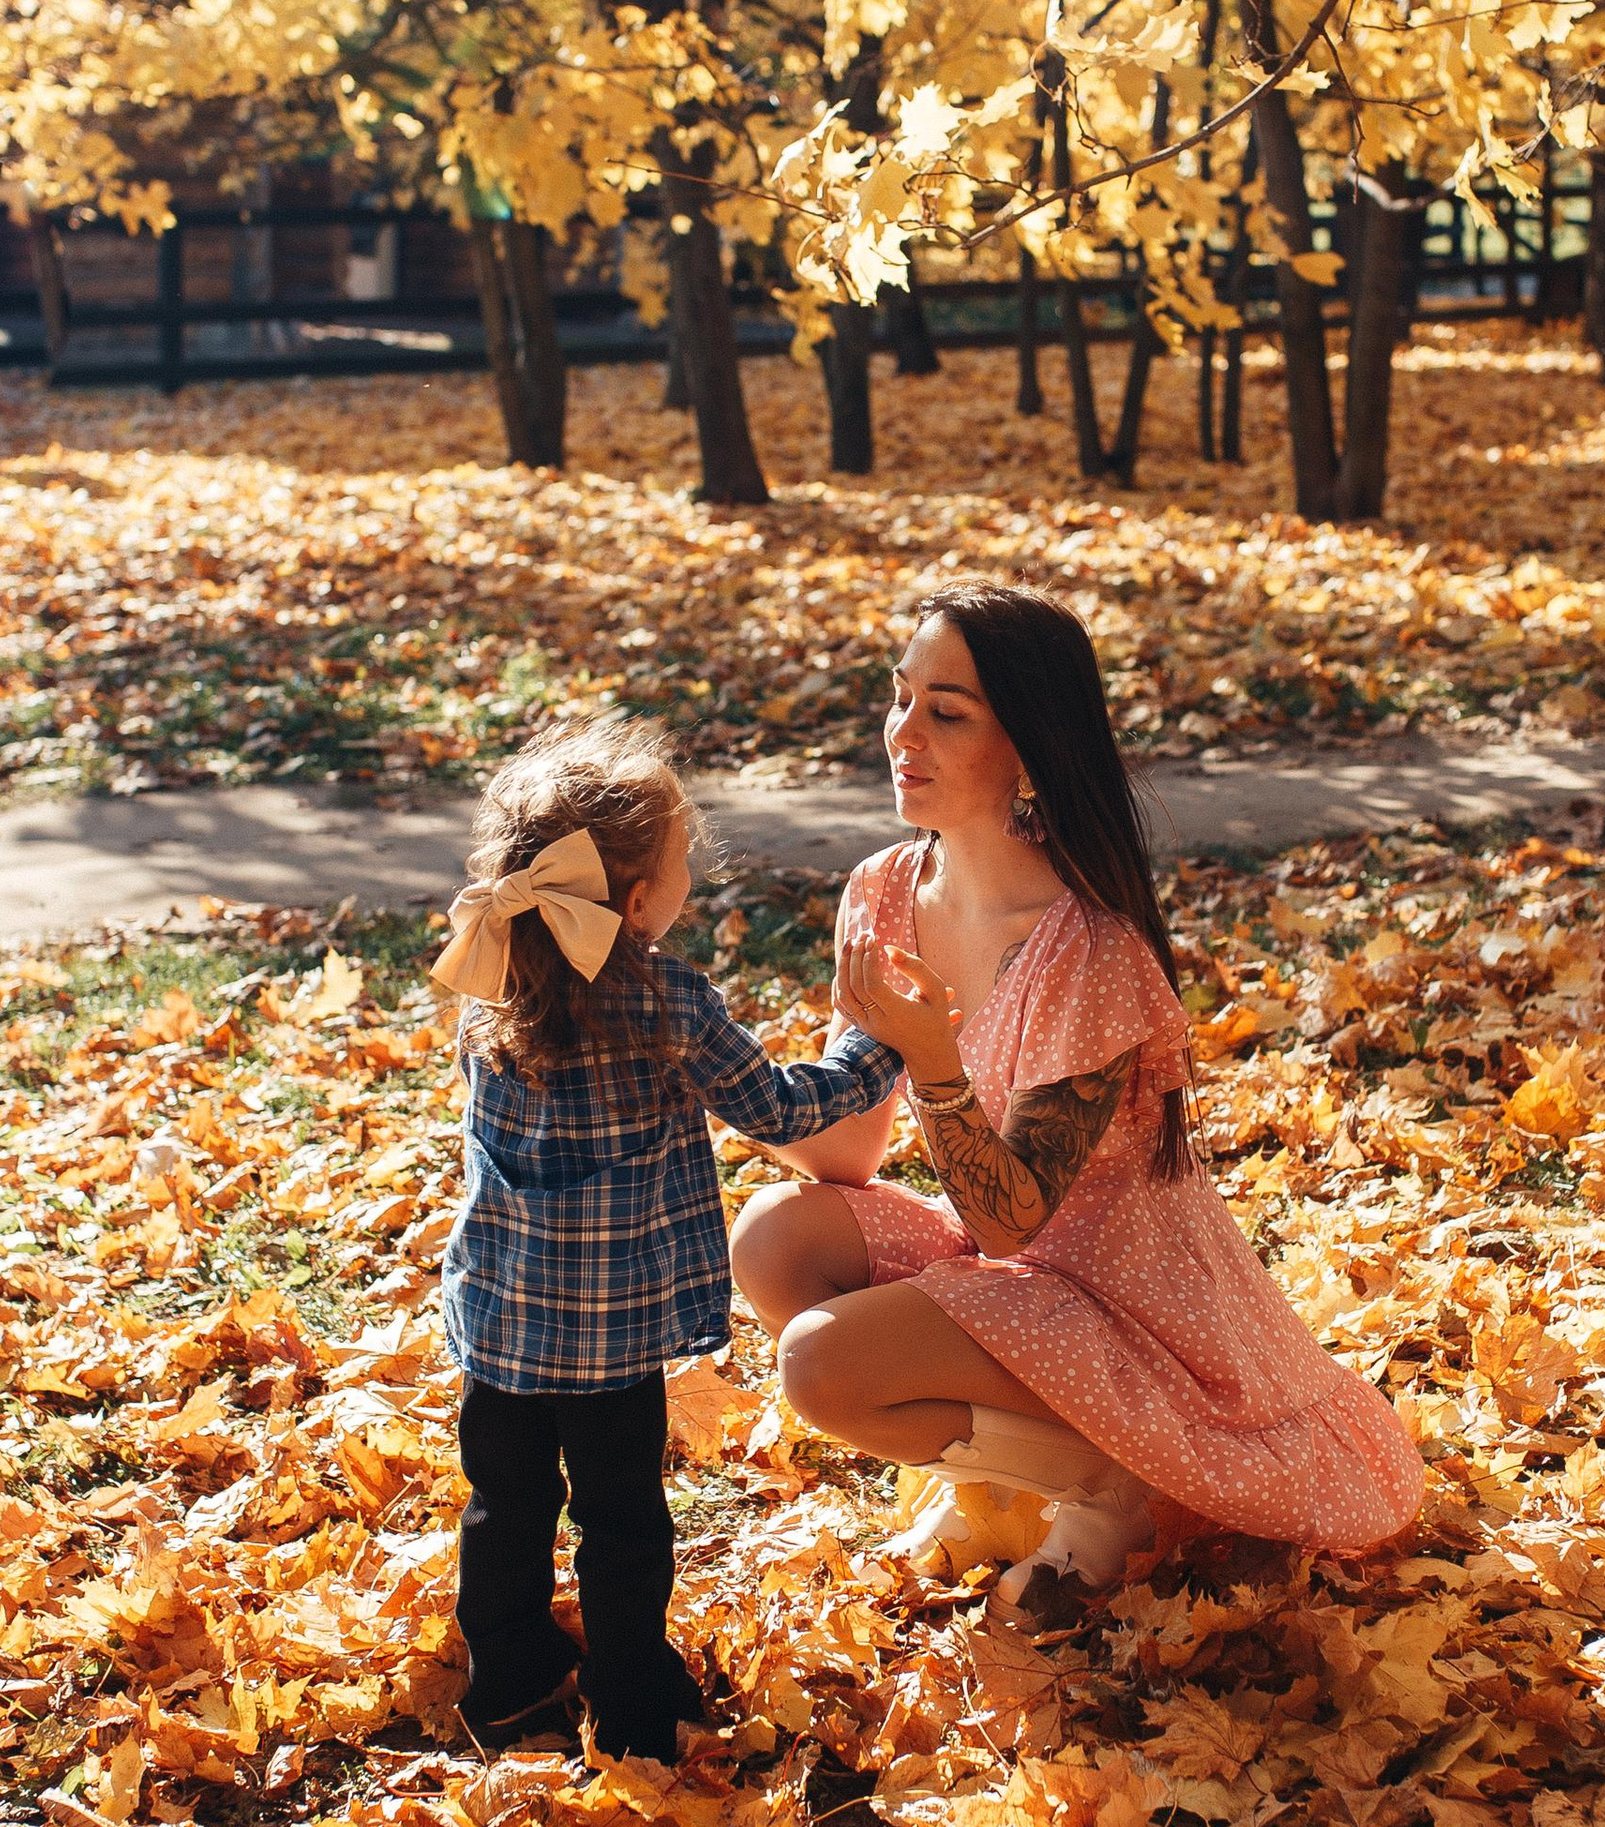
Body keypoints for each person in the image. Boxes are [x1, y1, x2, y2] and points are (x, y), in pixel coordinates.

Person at [729, 582, 1426, 1597]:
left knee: (821, 1364)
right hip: (1010, 1274)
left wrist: (933, 1059)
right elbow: (847, 1154)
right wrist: (712, 1070)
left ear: (1028, 747)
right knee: (770, 1237)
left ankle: (1111, 1490)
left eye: (947, 713)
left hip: (1129, 1304)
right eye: (900, 697)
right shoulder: (881, 891)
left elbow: (1009, 1218)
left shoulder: (1087, 946)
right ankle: (1008, 1483)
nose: (903, 734)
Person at [433, 712, 900, 1760]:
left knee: (503, 1505)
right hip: (610, 1343)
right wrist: (877, 1053)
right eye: (685, 859)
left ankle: (509, 1681)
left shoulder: (490, 987)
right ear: (641, 900)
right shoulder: (666, 1004)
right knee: (624, 1522)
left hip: (502, 1326)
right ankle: (632, 1698)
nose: (693, 875)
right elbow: (776, 1109)